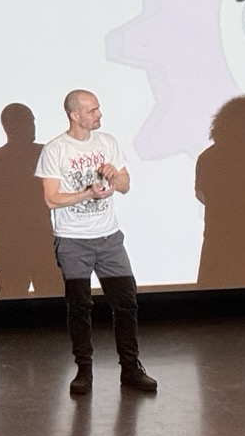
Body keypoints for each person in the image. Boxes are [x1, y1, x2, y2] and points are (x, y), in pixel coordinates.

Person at [36, 89, 157, 394]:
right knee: (79, 306)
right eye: (92, 110)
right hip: (73, 240)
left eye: (98, 109)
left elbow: (125, 185)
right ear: (74, 115)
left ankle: (130, 368)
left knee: (126, 302)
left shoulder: (107, 142)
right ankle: (84, 370)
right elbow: (51, 199)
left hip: (109, 238)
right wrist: (87, 193)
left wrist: (115, 176)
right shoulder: (55, 149)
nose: (99, 114)